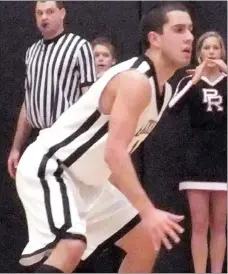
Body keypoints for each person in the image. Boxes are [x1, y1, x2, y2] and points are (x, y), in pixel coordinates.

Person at [15, 3, 194, 273]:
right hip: (53, 166)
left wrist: (135, 210)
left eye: (190, 30)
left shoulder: (164, 91)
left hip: (90, 182)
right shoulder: (135, 80)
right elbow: (115, 152)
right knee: (71, 246)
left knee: (146, 242)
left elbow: (113, 160)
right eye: (179, 30)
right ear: (154, 39)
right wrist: (147, 210)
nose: (190, 37)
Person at [7, 0, 96, 179]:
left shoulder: (79, 46)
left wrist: (88, 143)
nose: (44, 17)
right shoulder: (32, 51)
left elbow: (90, 99)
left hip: (66, 137)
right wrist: (16, 147)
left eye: (50, 11)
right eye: (39, 13)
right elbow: (29, 101)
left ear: (62, 13)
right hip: (37, 136)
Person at [169, 31, 227, 273]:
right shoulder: (189, 81)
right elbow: (172, 108)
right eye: (206, 48)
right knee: (200, 224)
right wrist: (195, 80)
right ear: (199, 53)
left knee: (219, 226)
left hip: (223, 159)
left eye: (216, 48)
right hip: (195, 160)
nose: (211, 52)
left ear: (222, 52)